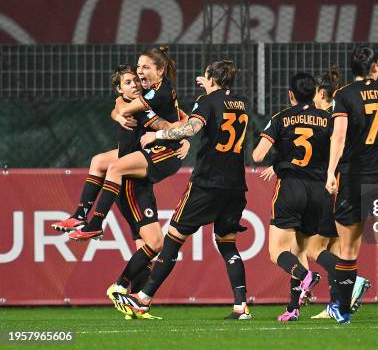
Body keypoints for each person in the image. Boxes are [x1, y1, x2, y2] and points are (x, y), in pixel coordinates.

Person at [112, 59, 252, 320]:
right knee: (228, 244)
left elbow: (192, 128)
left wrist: (158, 136)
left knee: (172, 240)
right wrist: (212, 84)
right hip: (235, 186)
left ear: (211, 79)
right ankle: (241, 306)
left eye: (206, 75)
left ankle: (142, 299)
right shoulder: (242, 102)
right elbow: (223, 100)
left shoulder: (206, 101)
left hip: (207, 183)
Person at [52, 64, 189, 319]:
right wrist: (120, 114)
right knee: (155, 243)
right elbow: (121, 107)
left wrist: (185, 137)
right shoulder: (129, 105)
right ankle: (115, 276)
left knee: (144, 247)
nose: (135, 85)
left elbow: (177, 116)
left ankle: (133, 303)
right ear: (119, 88)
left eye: (136, 80)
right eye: (128, 82)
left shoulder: (142, 102)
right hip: (131, 186)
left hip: (139, 178)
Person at [259, 66, 372, 319]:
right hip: (329, 186)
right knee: (308, 247)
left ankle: (348, 283)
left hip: (326, 185)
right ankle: (300, 307)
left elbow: (323, 151)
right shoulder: (330, 119)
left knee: (307, 249)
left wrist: (280, 163)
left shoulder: (328, 117)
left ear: (321, 94)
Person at [325, 47, 378, 324]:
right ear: (375, 67)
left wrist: (330, 172)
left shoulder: (343, 95)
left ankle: (344, 311)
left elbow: (338, 137)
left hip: (354, 177)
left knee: (348, 249)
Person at [252, 72, 343, 322]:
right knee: (300, 247)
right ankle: (293, 308)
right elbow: (340, 147)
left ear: (290, 94)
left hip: (291, 187)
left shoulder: (281, 118)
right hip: (318, 190)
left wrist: (279, 156)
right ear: (315, 94)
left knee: (278, 252)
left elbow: (258, 155)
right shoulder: (328, 119)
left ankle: (306, 276)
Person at [68, 46, 184, 241]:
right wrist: (118, 115)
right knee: (98, 161)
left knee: (115, 168)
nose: (139, 72)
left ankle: (95, 224)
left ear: (160, 70)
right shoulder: (148, 90)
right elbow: (122, 104)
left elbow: (182, 121)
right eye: (138, 66)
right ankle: (81, 215)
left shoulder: (158, 92)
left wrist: (178, 138)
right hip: (140, 151)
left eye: (145, 67)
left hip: (164, 151)